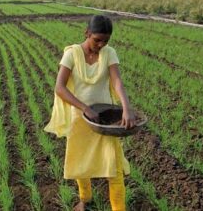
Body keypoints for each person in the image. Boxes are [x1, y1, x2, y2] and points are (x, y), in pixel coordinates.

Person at [44, 15, 136, 211]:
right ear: (87, 33)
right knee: (81, 164)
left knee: (114, 168)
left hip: (105, 120)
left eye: (106, 40)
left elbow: (117, 81)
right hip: (81, 118)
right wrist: (85, 108)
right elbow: (60, 88)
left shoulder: (109, 53)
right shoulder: (72, 54)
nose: (101, 44)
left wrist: (126, 108)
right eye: (97, 40)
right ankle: (85, 200)